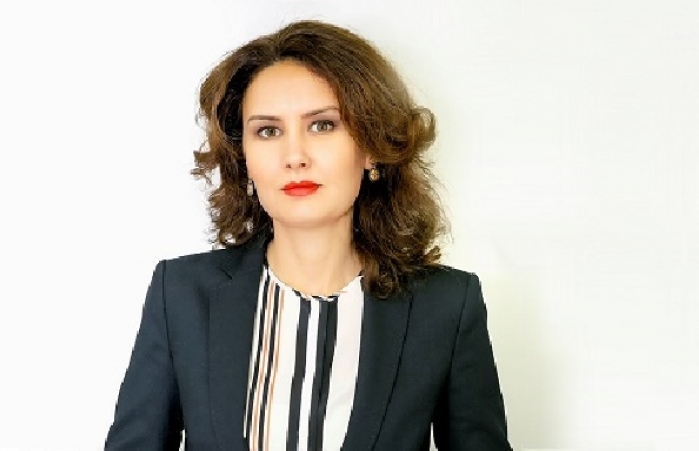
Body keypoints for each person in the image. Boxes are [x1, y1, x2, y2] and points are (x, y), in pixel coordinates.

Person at [104, 19, 511, 450]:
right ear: (244, 157)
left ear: (371, 146)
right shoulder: (181, 295)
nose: (294, 156)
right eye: (268, 131)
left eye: (322, 125)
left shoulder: (446, 306)